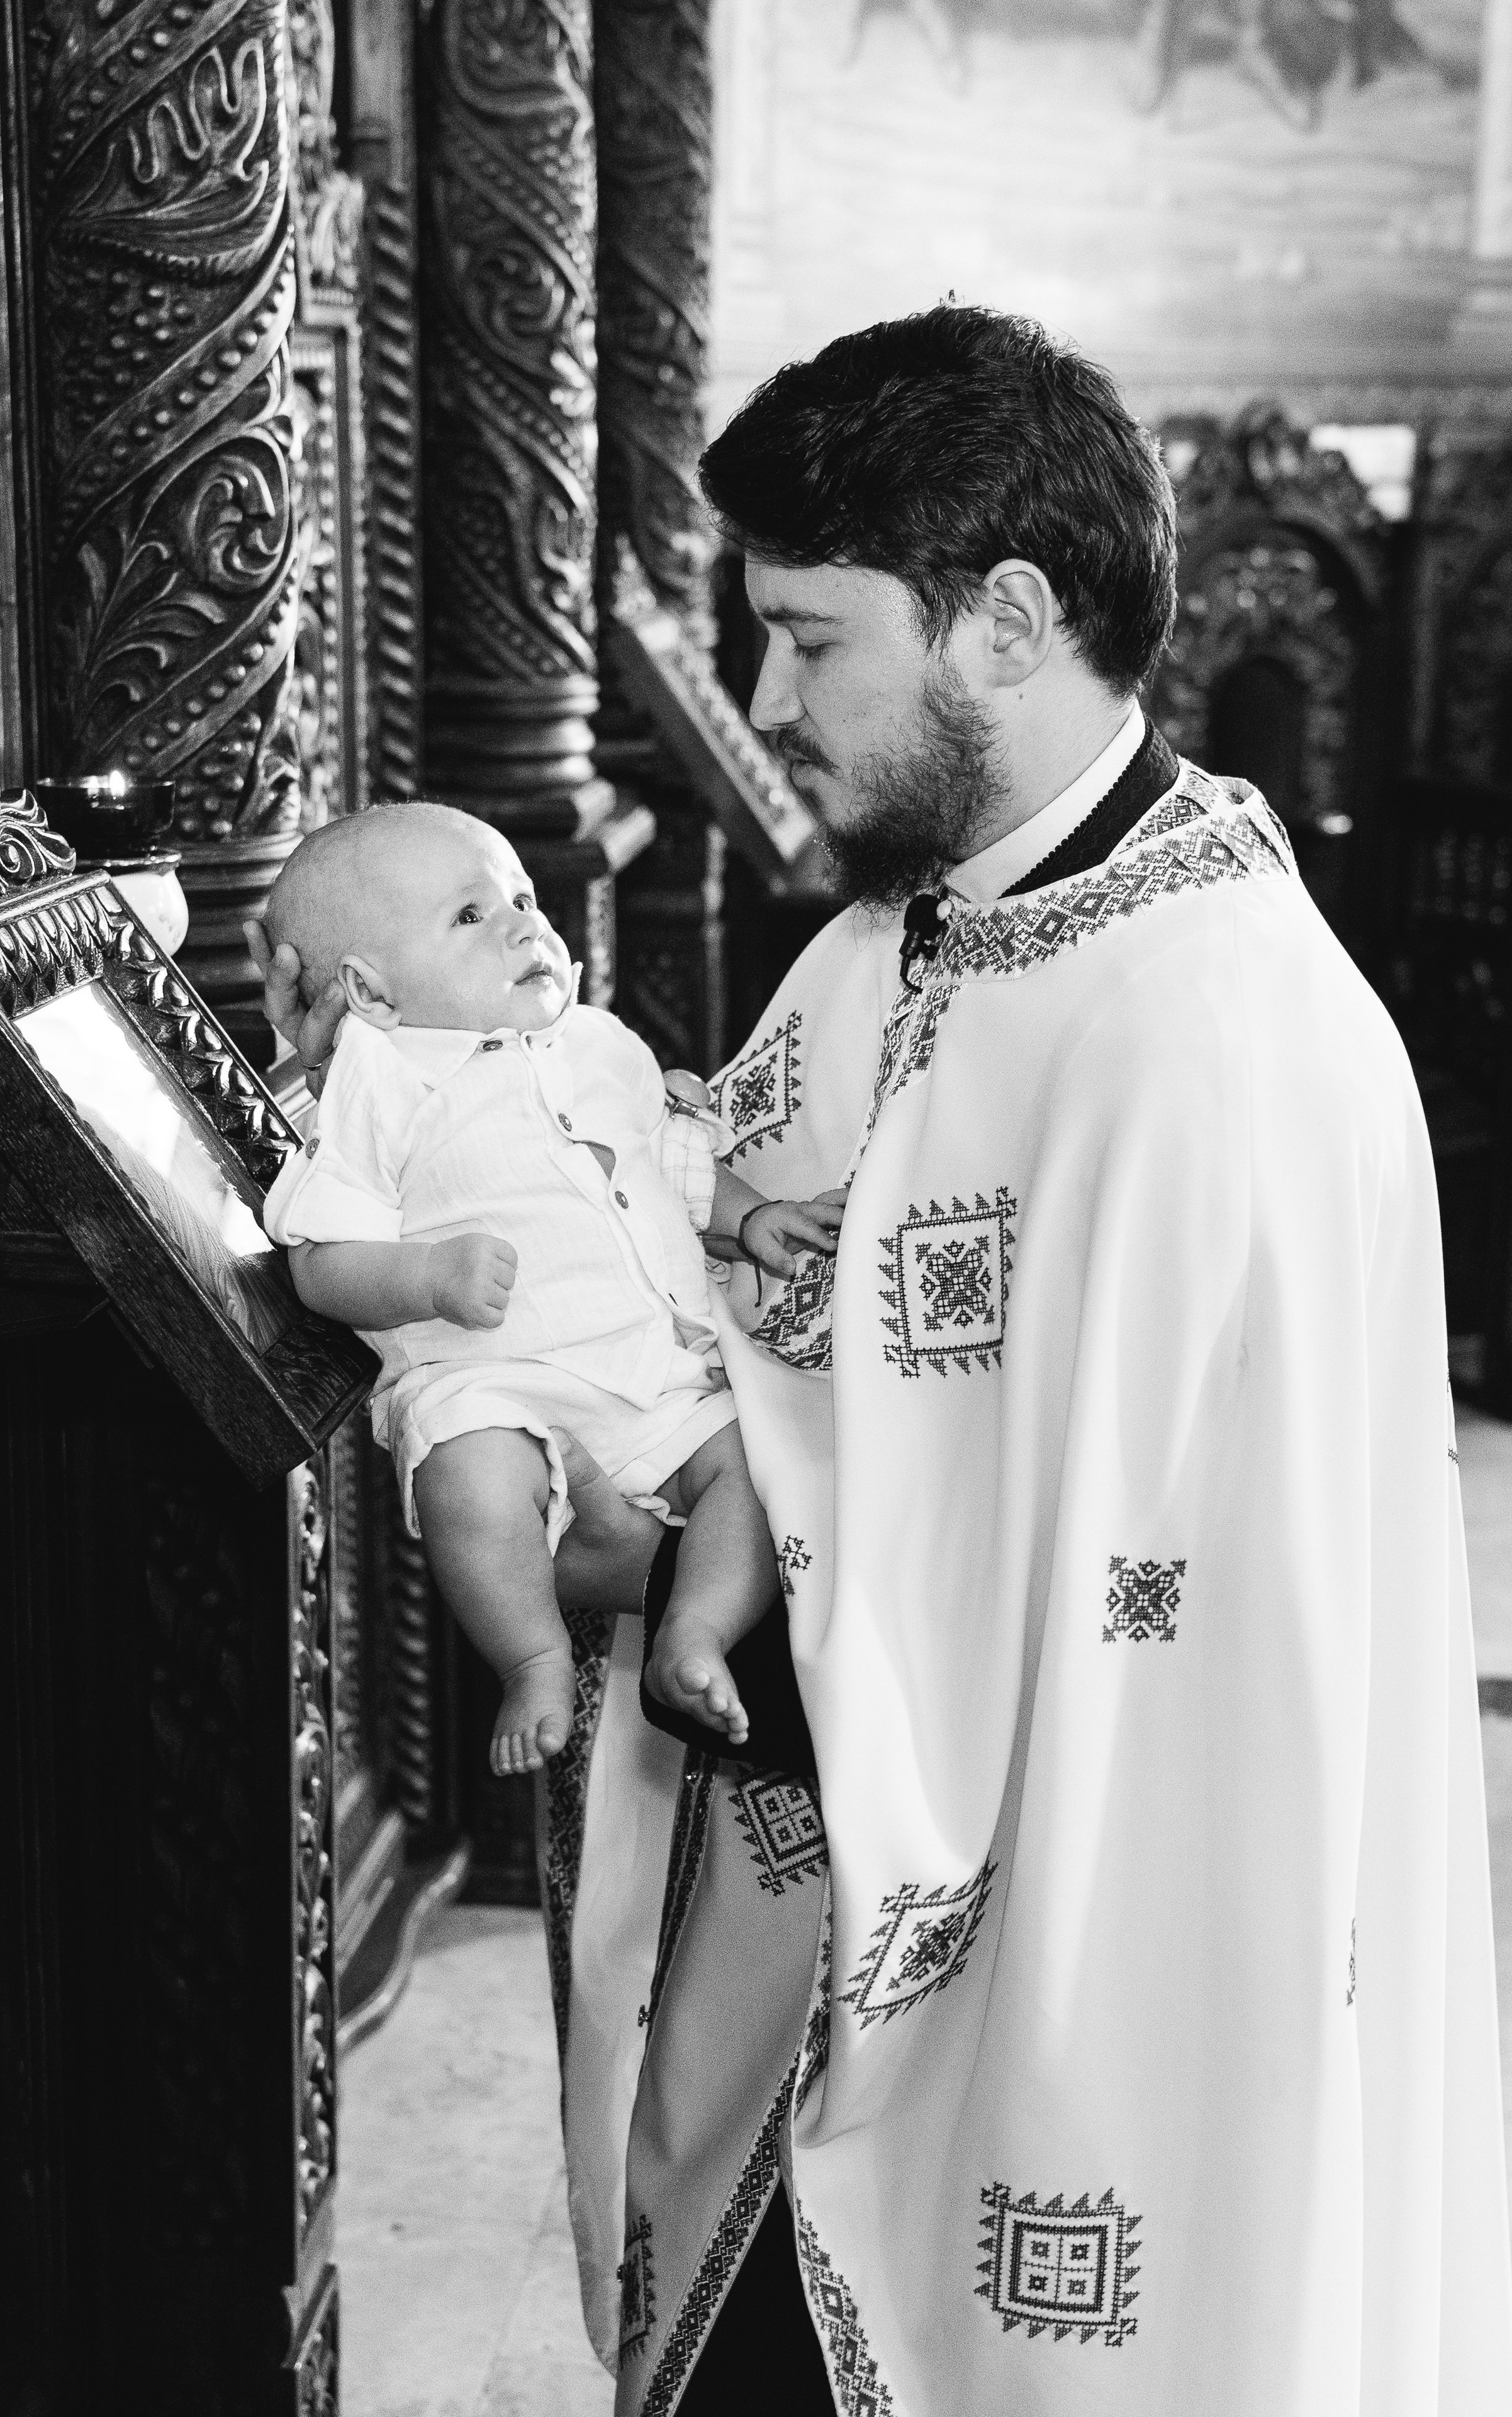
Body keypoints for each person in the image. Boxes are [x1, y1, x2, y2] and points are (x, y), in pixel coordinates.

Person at [253, 307, 1512, 2414]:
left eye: (809, 638)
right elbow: (694, 1282)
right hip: (780, 1904)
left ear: (1005, 622)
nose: (762, 702)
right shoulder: (903, 933)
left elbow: (1154, 1639)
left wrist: (679, 1566)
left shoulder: (1215, 1041)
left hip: (1018, 2003)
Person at [257, 802, 843, 1773]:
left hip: (653, 1372)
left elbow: (670, 1162)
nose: (524, 926)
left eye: (523, 899)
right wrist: (429, 1274)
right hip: (495, 1383)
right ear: (368, 990)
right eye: (470, 915)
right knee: (466, 1476)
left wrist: (747, 1218)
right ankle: (532, 1657)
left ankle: (694, 1628)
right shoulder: (377, 1081)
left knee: (750, 1467)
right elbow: (319, 1260)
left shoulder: (595, 1043)